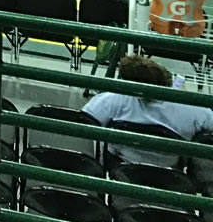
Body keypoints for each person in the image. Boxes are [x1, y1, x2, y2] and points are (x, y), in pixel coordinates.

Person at [83, 55, 213, 166]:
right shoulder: (192, 109)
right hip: (171, 175)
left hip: (122, 169)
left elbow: (84, 120)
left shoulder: (112, 100)